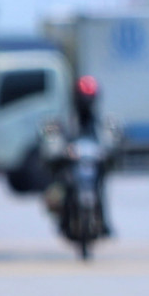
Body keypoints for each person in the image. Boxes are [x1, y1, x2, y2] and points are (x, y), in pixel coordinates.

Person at [42, 75, 117, 236]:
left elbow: (109, 135)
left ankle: (103, 219)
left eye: (89, 98)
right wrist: (59, 148)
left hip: (91, 161)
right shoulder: (67, 118)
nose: (86, 102)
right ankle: (63, 217)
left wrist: (109, 148)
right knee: (60, 184)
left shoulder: (99, 120)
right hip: (71, 162)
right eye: (84, 97)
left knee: (100, 184)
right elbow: (51, 132)